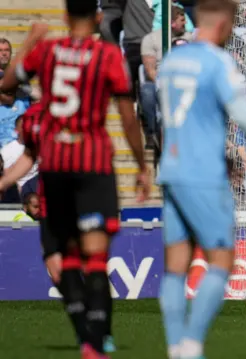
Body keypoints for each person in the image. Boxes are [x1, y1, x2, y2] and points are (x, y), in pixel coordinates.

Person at [0, 1, 150, 357]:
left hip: (55, 166)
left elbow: (5, 83)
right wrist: (142, 165)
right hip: (94, 164)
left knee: (66, 256)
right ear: (98, 18)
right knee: (95, 258)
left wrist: (31, 41)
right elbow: (128, 118)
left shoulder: (48, 52)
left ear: (65, 17)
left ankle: (88, 338)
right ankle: (95, 342)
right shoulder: (108, 56)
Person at [155, 1, 246, 358]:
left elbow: (178, 120)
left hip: (171, 171)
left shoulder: (171, 61)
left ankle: (174, 346)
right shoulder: (218, 61)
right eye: (232, 25)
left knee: (175, 265)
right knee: (221, 260)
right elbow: (245, 117)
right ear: (221, 24)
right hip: (202, 175)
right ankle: (192, 345)